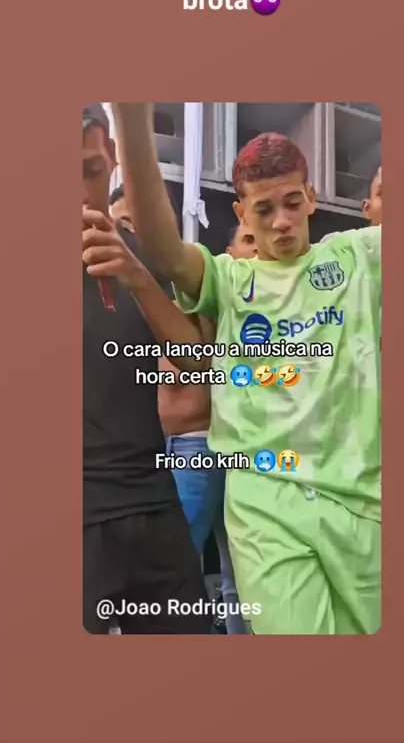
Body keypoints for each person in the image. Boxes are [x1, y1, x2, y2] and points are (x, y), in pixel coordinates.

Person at [112, 103, 382, 635]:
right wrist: (130, 119)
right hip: (266, 504)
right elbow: (163, 251)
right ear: (241, 215)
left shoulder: (357, 257)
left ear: (310, 198)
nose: (281, 221)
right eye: (264, 209)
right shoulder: (230, 280)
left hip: (362, 500)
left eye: (292, 203)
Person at [82, 103, 212, 635]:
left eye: (90, 170)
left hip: (154, 500)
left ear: (113, 159)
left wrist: (135, 275)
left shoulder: (136, 250)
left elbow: (196, 365)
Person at [159, 221, 256, 635]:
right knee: (193, 569)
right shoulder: (206, 299)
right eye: (248, 240)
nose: (258, 249)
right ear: (228, 255)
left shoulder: (243, 307)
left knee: (221, 572)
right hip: (197, 446)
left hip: (216, 448)